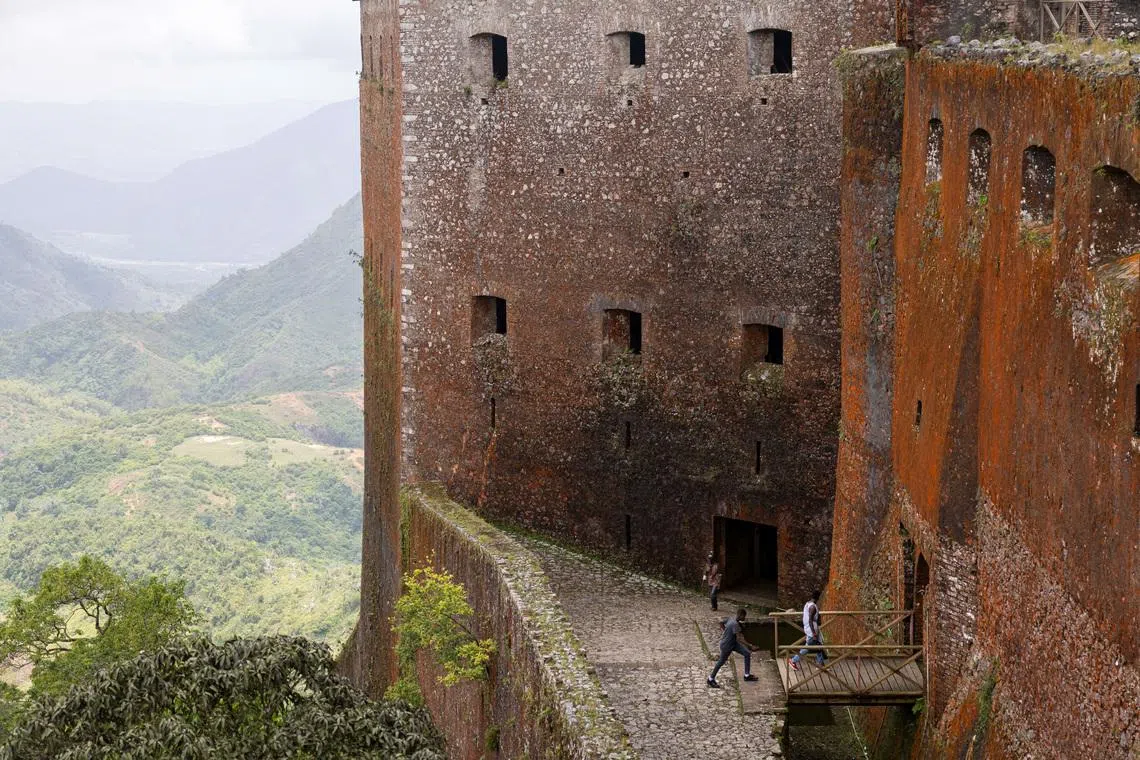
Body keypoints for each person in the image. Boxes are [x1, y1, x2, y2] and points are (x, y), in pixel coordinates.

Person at [707, 608, 759, 688]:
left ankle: (747, 675)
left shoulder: (731, 618)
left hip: (733, 643)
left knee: (747, 653)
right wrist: (750, 646)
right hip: (726, 646)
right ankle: (710, 679)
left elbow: (721, 622)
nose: (744, 618)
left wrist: (726, 631)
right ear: (740, 615)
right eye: (744, 616)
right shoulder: (735, 624)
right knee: (721, 662)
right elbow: (739, 638)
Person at [789, 590, 825, 671]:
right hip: (811, 630)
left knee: (819, 645)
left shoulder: (808, 604)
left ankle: (821, 664)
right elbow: (810, 620)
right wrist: (814, 633)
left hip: (809, 629)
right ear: (818, 597)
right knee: (807, 648)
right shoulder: (812, 607)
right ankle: (793, 660)